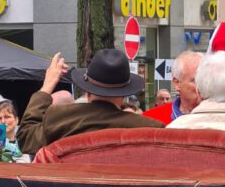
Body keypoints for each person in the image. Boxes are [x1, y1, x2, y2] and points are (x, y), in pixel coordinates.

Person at [17, 49, 164, 155]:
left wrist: (47, 86)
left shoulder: (59, 117)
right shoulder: (150, 128)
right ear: (124, 95)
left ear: (87, 91)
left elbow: (25, 138)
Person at [143, 51, 203, 123]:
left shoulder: (215, 118)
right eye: (196, 81)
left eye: (207, 80)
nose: (204, 86)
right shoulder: (150, 119)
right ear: (177, 83)